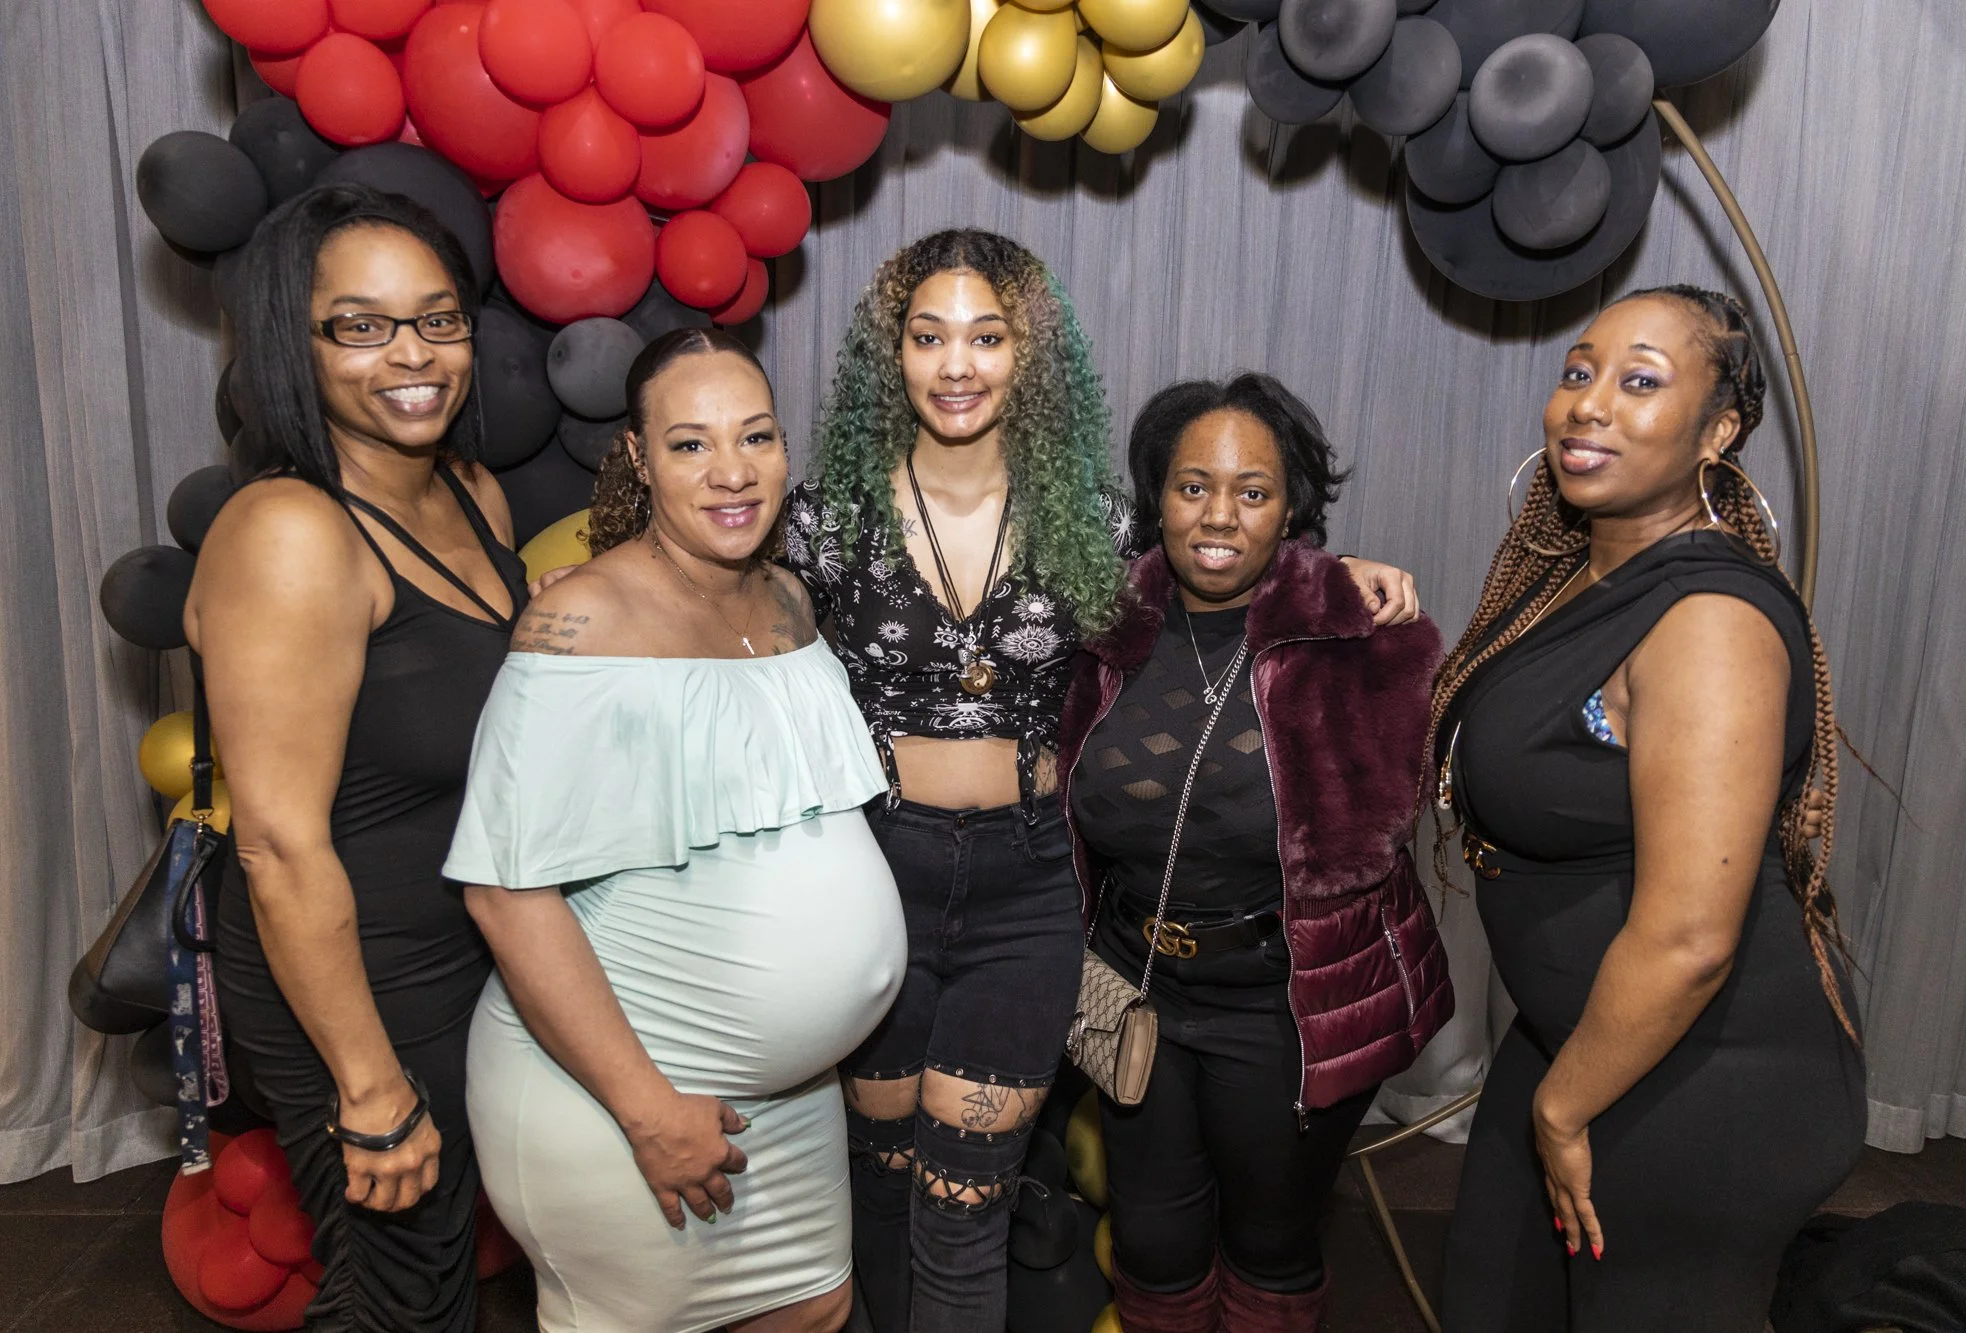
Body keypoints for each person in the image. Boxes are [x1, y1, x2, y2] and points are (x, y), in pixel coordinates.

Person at [783, 228, 1421, 1333]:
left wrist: (1334, 574)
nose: (956, 364)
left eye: (987, 336)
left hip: (1026, 885)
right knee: (880, 1181)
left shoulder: (1096, 519)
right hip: (870, 873)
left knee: (965, 1195)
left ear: (1029, 354)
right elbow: (728, 623)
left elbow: (1227, 568)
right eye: (927, 336)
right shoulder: (827, 521)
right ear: (890, 356)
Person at [443, 328, 904, 1333]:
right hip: (622, 1097)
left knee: (816, 1310)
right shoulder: (582, 624)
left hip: (782, 1104)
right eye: (690, 444)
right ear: (640, 460)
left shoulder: (784, 598)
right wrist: (647, 1111)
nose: (731, 471)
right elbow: (504, 893)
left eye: (756, 436)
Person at [1431, 286, 1866, 1331]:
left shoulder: (1707, 618)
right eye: (1577, 373)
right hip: (1569, 1046)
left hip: (1705, 1079)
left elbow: (1687, 936)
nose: (1588, 404)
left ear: (1717, 431)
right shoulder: (1579, 582)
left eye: (1638, 382)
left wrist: (1563, 1104)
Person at [186, 184, 526, 1329]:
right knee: (399, 1297)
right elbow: (278, 846)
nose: (412, 354)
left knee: (446, 1275)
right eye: (361, 325)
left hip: (466, 951)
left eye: (438, 318)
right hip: (354, 982)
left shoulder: (472, 496)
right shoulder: (289, 531)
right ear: (297, 339)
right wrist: (366, 1081)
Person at [1055, 374, 1451, 1333]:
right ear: (1157, 497)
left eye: (1253, 490)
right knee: (1150, 1242)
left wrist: (1329, 601)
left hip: (1287, 999)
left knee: (1270, 1244)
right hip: (1133, 978)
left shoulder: (1367, 641)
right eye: (1193, 486)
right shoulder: (1099, 629)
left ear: (1291, 508)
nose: (1218, 514)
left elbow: (1381, 826)